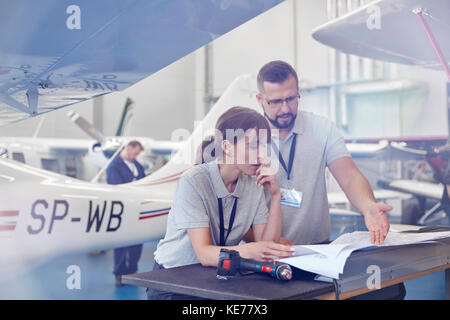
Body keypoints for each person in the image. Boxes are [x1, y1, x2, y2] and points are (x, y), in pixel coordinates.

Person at [255, 61, 406, 299]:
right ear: (260, 99)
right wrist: (261, 243)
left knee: (385, 291)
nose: (285, 108)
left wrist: (368, 206)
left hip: (318, 250)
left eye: (292, 99)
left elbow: (348, 174)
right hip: (268, 254)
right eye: (276, 102)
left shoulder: (321, 128)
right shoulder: (248, 136)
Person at [147, 106, 294, 300]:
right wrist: (249, 250)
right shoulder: (194, 180)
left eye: (264, 146)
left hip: (213, 277)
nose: (262, 155)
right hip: (173, 280)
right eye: (252, 146)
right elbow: (204, 254)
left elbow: (266, 245)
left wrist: (275, 196)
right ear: (226, 147)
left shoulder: (253, 184)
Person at [106, 140, 146, 286]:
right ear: (128, 149)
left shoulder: (137, 166)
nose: (136, 157)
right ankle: (119, 273)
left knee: (137, 240)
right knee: (122, 243)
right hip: (122, 211)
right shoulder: (113, 166)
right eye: (135, 154)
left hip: (137, 210)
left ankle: (132, 269)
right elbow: (116, 187)